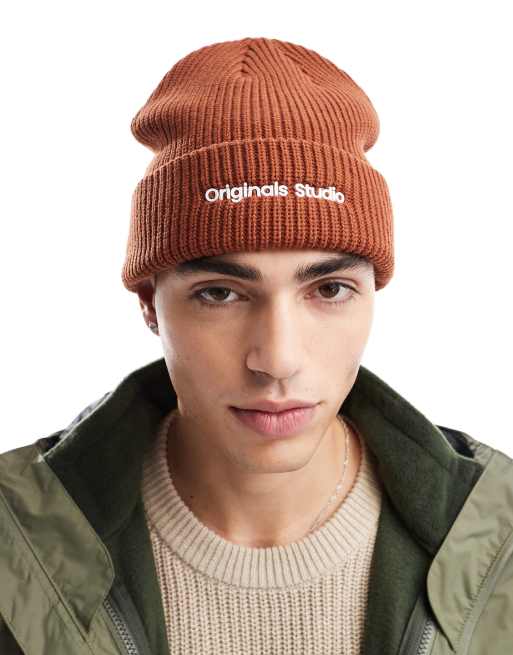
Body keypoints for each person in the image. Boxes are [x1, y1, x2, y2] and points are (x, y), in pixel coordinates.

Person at [1, 36, 512, 655]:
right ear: (149, 304)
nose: (277, 359)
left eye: (329, 289)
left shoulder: (498, 533)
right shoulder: (14, 539)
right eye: (220, 293)